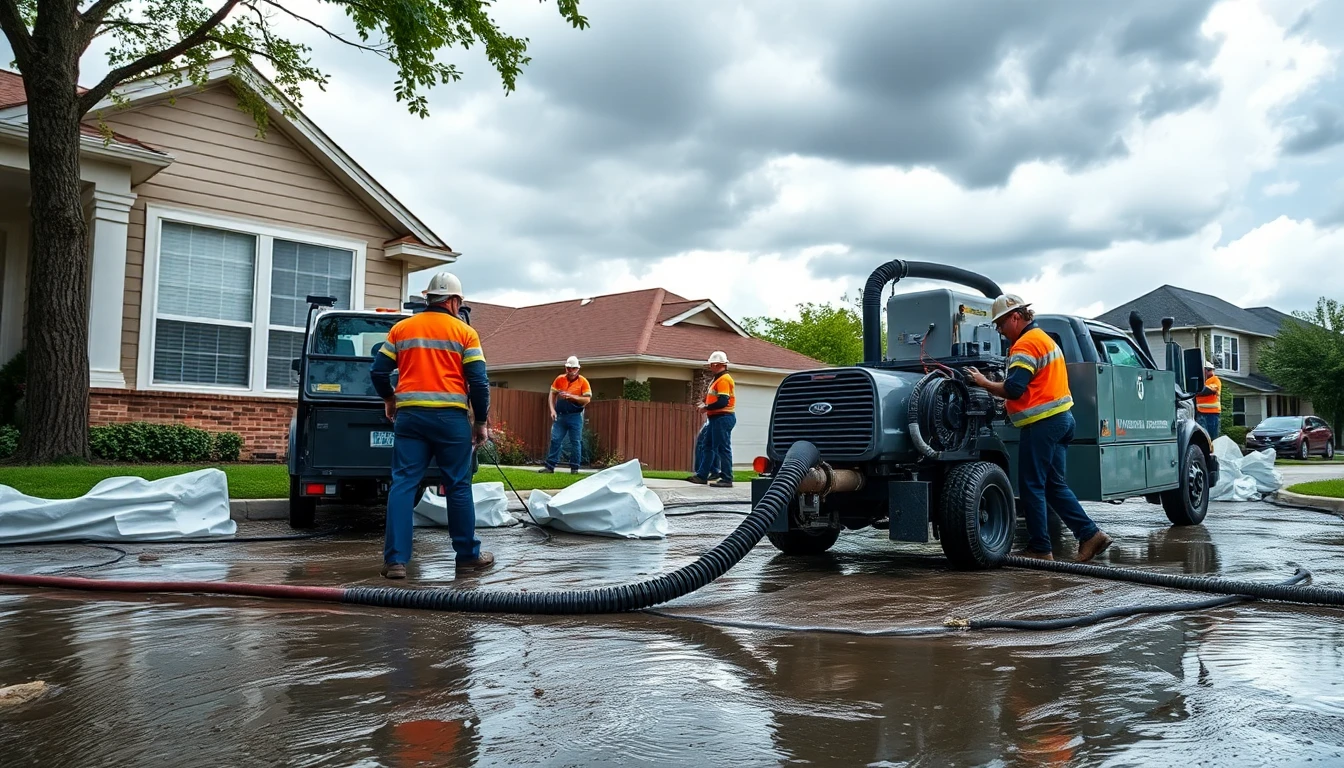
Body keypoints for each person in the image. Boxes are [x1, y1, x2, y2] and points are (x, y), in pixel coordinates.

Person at [966, 294, 1112, 563]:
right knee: (1054, 485)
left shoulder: (1025, 345)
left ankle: (1040, 548)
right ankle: (1090, 535)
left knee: (1031, 485)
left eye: (1000, 323)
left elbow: (1013, 388)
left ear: (1015, 317)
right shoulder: (1044, 339)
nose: (999, 329)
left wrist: (982, 382)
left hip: (1043, 424)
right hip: (1062, 420)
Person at [370, 271, 494, 579]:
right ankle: (467, 557)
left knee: (403, 484)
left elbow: (378, 371)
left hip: (410, 419)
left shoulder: (402, 329)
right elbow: (479, 382)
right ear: (453, 301)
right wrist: (480, 421)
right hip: (451, 420)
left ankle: (396, 561)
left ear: (429, 298)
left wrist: (389, 399)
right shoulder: (465, 332)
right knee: (458, 485)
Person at [686, 351, 736, 488]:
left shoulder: (724, 380)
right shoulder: (718, 379)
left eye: (711, 365)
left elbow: (723, 402)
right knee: (707, 446)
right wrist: (706, 402)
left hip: (722, 417)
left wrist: (706, 407)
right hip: (717, 418)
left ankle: (727, 478)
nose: (710, 367)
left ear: (716, 364)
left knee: (722, 448)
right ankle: (702, 475)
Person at [541, 356, 592, 474]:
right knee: (555, 439)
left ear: (578, 369)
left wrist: (572, 396)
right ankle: (550, 466)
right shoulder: (559, 379)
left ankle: (574, 468)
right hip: (560, 415)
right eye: (569, 368)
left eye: (573, 368)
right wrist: (552, 410)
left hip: (575, 415)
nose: (571, 371)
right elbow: (552, 394)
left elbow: (587, 400)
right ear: (566, 368)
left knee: (576, 442)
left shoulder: (583, 381)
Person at [1195, 359, 1222, 439]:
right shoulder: (1202, 382)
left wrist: (1195, 390)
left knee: (1212, 438)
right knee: (1202, 438)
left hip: (1212, 414)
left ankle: (1213, 451)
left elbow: (1207, 391)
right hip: (1200, 413)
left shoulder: (1215, 380)